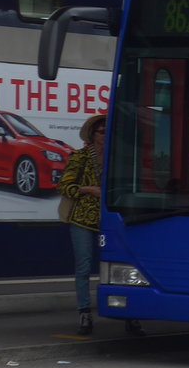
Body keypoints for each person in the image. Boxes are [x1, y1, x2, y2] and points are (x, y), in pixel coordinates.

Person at [58, 114, 143, 337]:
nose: (106, 136)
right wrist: (88, 189)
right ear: (93, 135)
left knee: (124, 268)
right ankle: (84, 314)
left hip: (113, 219)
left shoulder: (121, 158)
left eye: (109, 131)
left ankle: (130, 314)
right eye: (102, 132)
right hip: (83, 219)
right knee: (84, 267)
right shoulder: (80, 156)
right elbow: (65, 186)